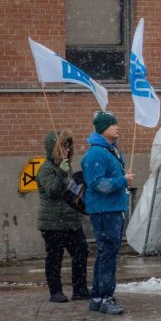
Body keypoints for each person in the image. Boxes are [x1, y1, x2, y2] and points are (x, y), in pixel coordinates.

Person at [81, 112, 133, 315]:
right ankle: (106, 297)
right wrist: (122, 181)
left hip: (111, 208)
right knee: (109, 253)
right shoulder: (97, 153)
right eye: (113, 125)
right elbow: (97, 183)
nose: (117, 127)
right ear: (103, 129)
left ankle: (97, 297)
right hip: (105, 210)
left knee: (106, 253)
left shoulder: (109, 150)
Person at [36, 129, 89, 303]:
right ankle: (55, 292)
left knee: (81, 252)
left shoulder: (67, 167)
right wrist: (60, 172)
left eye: (69, 146)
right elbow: (52, 191)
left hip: (71, 221)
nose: (68, 150)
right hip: (53, 223)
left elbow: (69, 192)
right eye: (64, 146)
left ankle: (80, 289)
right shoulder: (46, 169)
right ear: (54, 149)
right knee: (54, 258)